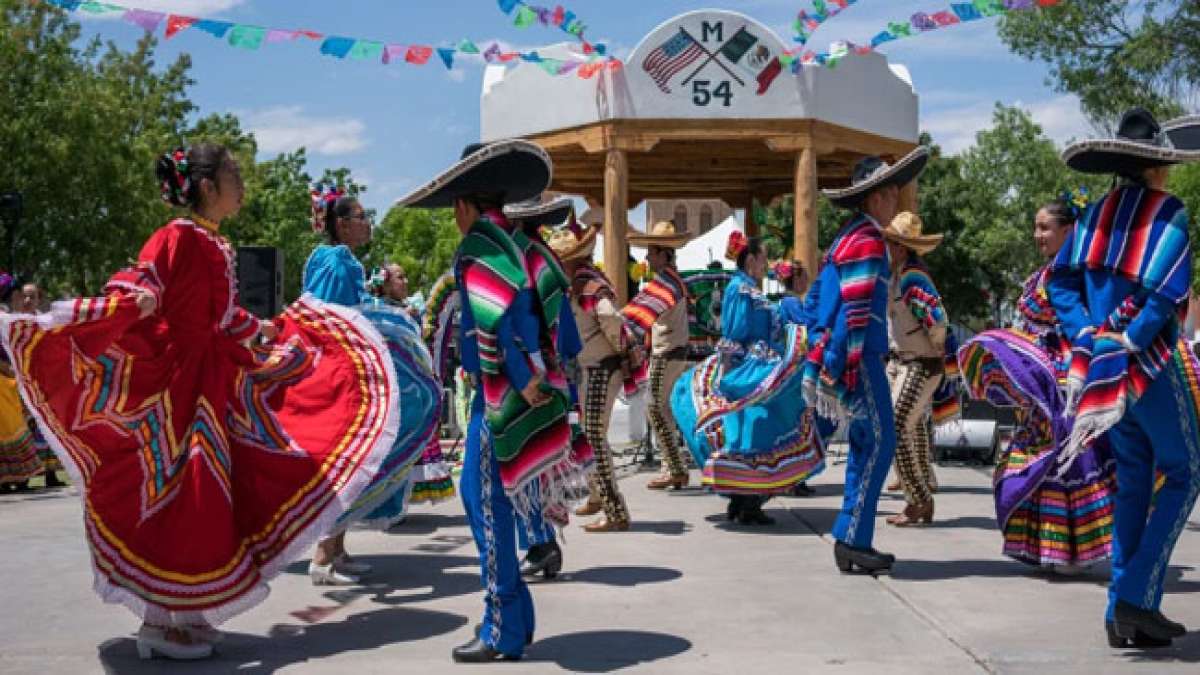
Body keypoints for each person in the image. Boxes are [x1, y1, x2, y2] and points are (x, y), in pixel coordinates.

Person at [0, 144, 402, 659]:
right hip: (179, 389)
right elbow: (144, 283)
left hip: (212, 383)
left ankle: (184, 615)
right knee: (174, 496)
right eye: (234, 174)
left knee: (202, 500)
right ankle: (156, 623)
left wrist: (263, 330)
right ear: (208, 186)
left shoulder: (211, 240)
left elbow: (221, 317)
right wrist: (137, 300)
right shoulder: (178, 236)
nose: (242, 183)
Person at [398, 140, 586, 663]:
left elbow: (494, 316)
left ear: (463, 204)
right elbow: (552, 315)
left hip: (501, 395)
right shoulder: (522, 242)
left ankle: (501, 625)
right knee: (493, 502)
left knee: (485, 503)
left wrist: (522, 374)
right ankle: (516, 621)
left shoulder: (480, 244)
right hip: (527, 388)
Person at [1044, 109, 1200, 647]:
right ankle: (1136, 595)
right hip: (1146, 363)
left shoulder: (1093, 216)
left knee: (1134, 479)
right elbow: (1167, 290)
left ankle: (1122, 612)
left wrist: (1086, 332)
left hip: (1102, 371)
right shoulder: (1168, 212)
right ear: (1157, 165)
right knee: (1186, 471)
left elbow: (1059, 282)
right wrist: (1133, 336)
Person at [958, 195, 1117, 574]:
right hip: (1043, 386)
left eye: (1045, 227)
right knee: (1040, 460)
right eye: (1036, 227)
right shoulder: (1046, 275)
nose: (1037, 235)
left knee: (1070, 458)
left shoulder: (1083, 275)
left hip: (1071, 378)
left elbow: (1090, 326)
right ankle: (1050, 547)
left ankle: (1074, 551)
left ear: (1068, 230)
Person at [301, 188, 442, 562]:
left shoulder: (336, 258)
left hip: (344, 370)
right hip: (342, 373)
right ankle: (324, 553)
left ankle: (336, 551)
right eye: (361, 217)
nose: (368, 224)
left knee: (355, 458)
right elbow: (333, 317)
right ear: (342, 224)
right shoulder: (336, 261)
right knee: (348, 458)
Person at [809, 147, 929, 574]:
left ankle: (850, 536)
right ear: (875, 196)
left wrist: (827, 354)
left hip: (853, 355)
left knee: (866, 443)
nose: (896, 198)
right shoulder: (868, 240)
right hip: (862, 358)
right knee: (880, 443)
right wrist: (840, 359)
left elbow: (818, 301)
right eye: (890, 191)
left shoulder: (847, 238)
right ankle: (854, 539)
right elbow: (853, 312)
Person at [672, 232, 825, 524]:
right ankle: (747, 502)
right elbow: (734, 332)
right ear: (751, 260)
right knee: (754, 432)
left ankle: (745, 500)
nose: (766, 264)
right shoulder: (739, 289)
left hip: (760, 363)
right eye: (763, 258)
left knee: (758, 431)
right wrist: (729, 375)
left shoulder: (750, 289)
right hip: (750, 369)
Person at [548, 222, 636, 532]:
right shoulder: (582, 284)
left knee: (594, 437)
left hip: (602, 367)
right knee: (589, 434)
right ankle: (598, 496)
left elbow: (610, 316)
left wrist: (619, 348)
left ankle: (615, 511)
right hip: (593, 367)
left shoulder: (587, 285)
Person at [881, 212, 950, 527]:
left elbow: (937, 318)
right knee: (905, 426)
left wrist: (935, 348)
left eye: (890, 242)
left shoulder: (912, 277)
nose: (886, 247)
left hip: (920, 363)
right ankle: (920, 494)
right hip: (904, 362)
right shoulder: (899, 275)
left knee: (896, 426)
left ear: (900, 246)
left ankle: (919, 500)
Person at [622, 221, 694, 490]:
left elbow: (638, 314)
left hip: (667, 354)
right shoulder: (673, 280)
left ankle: (674, 467)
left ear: (664, 254)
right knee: (664, 410)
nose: (647, 257)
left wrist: (617, 327)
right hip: (674, 352)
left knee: (654, 407)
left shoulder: (665, 283)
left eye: (652, 252)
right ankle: (672, 467)